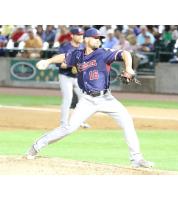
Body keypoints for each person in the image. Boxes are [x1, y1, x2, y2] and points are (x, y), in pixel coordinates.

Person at [26, 28, 154, 168]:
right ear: (86, 39)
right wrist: (49, 61)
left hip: (106, 99)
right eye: (95, 38)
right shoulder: (78, 55)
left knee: (127, 122)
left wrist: (129, 68)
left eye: (100, 38)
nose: (98, 40)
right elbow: (64, 57)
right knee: (68, 128)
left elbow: (125, 53)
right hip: (87, 100)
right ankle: (36, 146)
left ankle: (136, 159)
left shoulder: (103, 53)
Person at [57, 27, 90, 128]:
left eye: (81, 35)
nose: (81, 37)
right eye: (78, 35)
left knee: (84, 99)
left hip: (77, 77)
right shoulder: (65, 48)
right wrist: (72, 65)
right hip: (65, 76)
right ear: (72, 35)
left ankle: (79, 121)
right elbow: (60, 64)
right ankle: (63, 123)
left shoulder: (83, 48)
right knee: (68, 98)